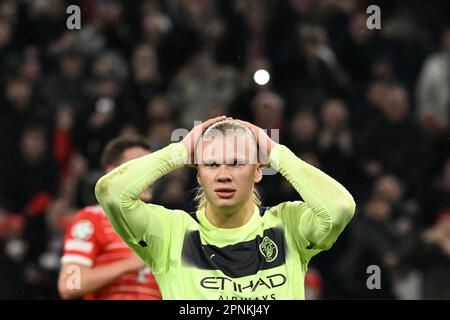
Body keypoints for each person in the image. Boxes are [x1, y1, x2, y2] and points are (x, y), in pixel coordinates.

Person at [95, 115, 355, 300]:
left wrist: (275, 152)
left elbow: (340, 207)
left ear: (257, 172)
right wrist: (180, 151)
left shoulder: (287, 224)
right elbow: (111, 193)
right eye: (210, 165)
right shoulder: (170, 232)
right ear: (198, 174)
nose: (223, 175)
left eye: (236, 163)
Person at [58, 137, 161, 300]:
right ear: (112, 173)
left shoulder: (163, 224)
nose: (149, 175)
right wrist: (128, 265)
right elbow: (69, 284)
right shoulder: (92, 219)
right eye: (138, 167)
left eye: (151, 167)